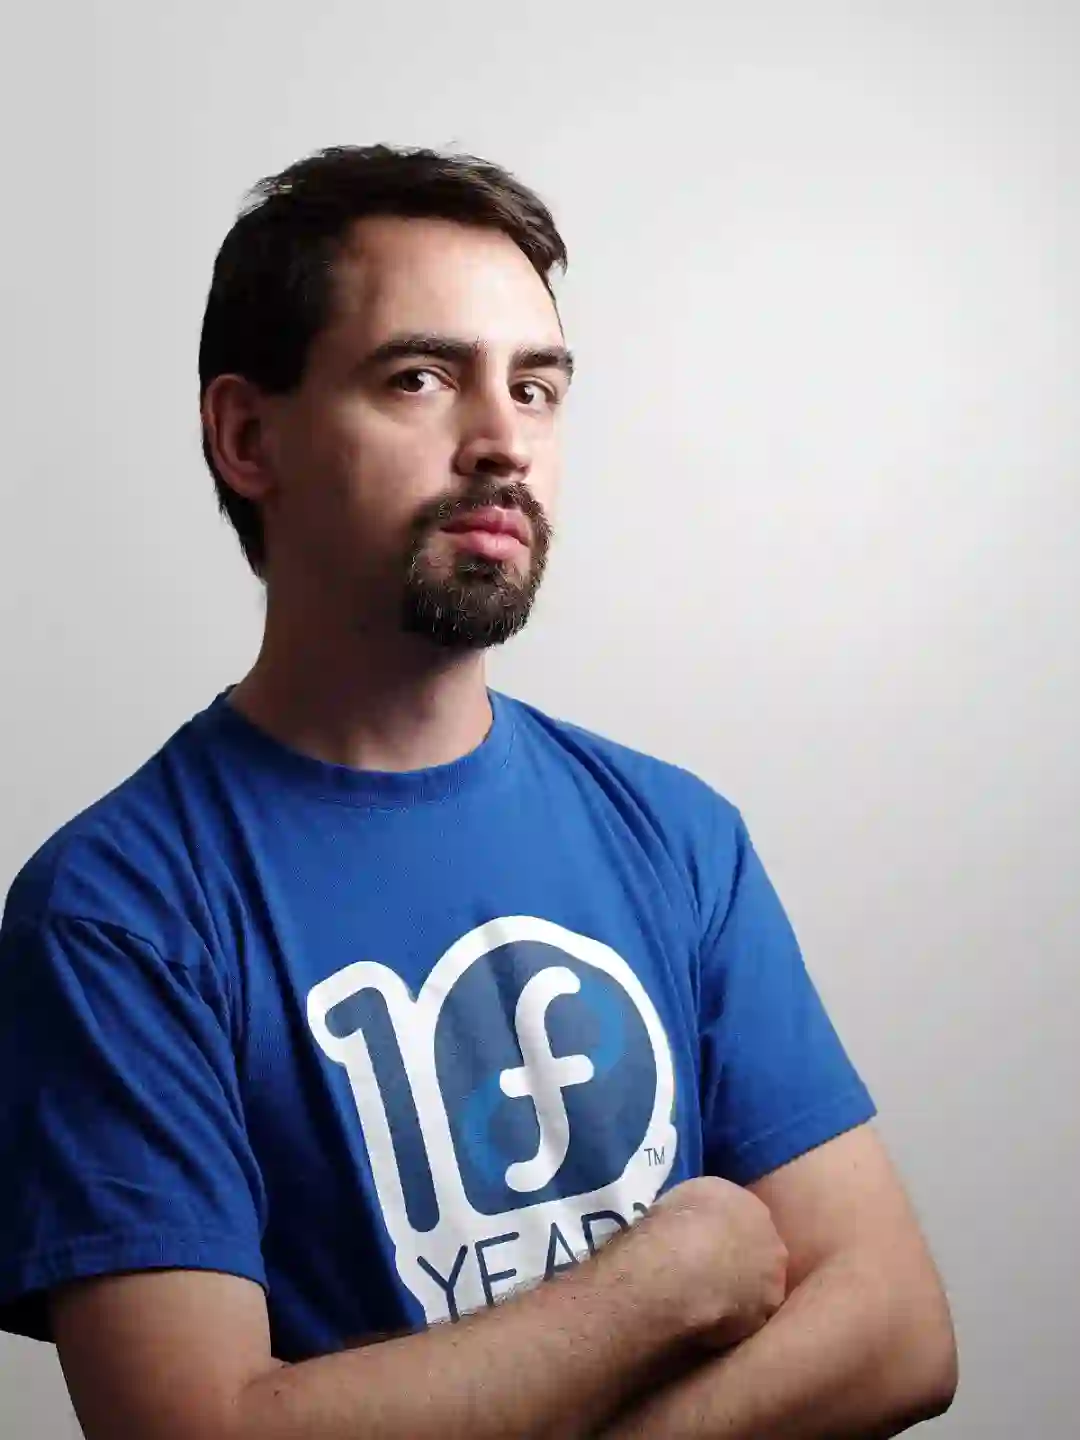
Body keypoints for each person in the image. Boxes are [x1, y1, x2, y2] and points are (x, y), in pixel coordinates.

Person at [0, 145, 956, 1439]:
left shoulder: (678, 835)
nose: (504, 442)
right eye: (421, 377)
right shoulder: (118, 911)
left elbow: (898, 1329)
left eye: (537, 388)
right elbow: (199, 1426)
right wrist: (659, 1287)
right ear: (247, 436)